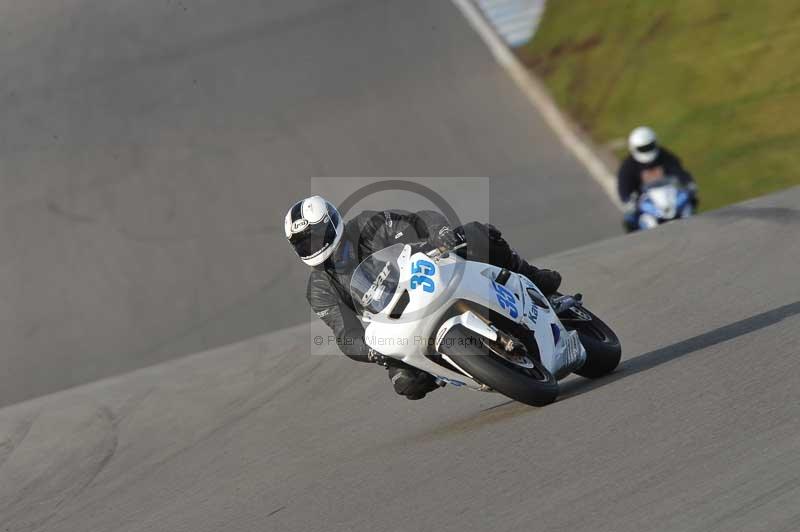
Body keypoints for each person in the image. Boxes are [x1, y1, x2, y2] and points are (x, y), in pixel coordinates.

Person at [284, 195, 563, 400]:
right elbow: (345, 333)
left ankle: (535, 278)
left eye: (314, 236)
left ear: (332, 223)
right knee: (407, 385)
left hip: (430, 270)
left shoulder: (368, 224)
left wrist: (439, 235)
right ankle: (464, 368)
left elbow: (420, 220)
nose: (310, 246)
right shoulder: (320, 288)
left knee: (476, 234)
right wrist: (372, 351)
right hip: (395, 317)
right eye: (302, 243)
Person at [618, 126, 698, 232]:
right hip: (645, 203)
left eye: (649, 146)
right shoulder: (628, 166)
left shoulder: (665, 156)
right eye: (643, 148)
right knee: (630, 220)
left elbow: (679, 172)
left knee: (690, 202)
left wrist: (689, 184)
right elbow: (624, 188)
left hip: (670, 197)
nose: (647, 151)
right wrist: (629, 200)